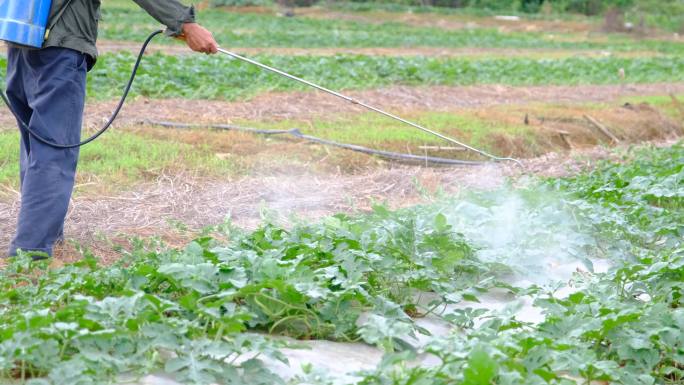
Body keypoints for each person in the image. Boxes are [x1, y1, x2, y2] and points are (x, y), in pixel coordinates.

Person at [5, 0, 218, 259]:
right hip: (58, 48)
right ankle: (31, 252)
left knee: (36, 147)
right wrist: (186, 23)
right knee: (53, 152)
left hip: (22, 40)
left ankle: (44, 235)